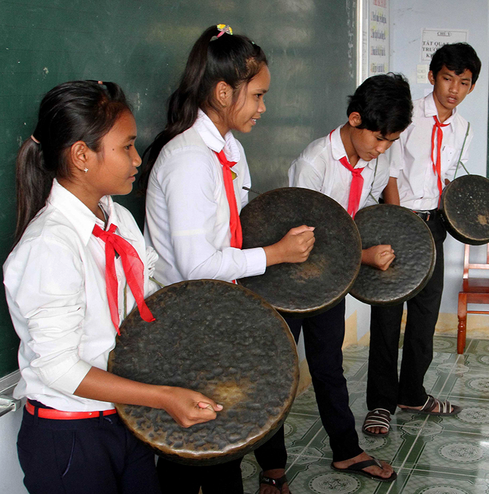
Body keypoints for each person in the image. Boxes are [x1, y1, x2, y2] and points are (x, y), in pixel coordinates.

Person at [4, 80, 222, 494]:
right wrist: (161, 396)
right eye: (126, 147)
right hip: (70, 438)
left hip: (124, 417)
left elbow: (144, 298)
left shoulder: (117, 219)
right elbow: (58, 368)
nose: (138, 159)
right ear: (82, 155)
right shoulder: (50, 246)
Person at [141, 25, 314, 494]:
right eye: (257, 95)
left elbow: (232, 231)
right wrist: (276, 254)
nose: (264, 107)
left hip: (216, 314)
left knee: (222, 444)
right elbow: (198, 265)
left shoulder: (227, 150)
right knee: (193, 450)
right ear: (222, 92)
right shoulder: (190, 160)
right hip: (186, 324)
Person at [284, 72, 413, 481]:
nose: (382, 149)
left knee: (328, 367)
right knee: (278, 373)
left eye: (391, 142)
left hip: (330, 280)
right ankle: (272, 467)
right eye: (379, 138)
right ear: (355, 119)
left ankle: (346, 450)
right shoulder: (314, 164)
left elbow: (357, 218)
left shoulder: (370, 162)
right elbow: (303, 242)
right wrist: (362, 256)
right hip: (288, 282)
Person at [364, 43, 482, 435]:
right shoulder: (409, 117)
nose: (454, 89)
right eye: (447, 78)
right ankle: (380, 404)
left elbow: (446, 177)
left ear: (471, 86)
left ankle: (412, 393)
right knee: (386, 316)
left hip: (435, 227)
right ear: (432, 76)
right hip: (401, 223)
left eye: (463, 82)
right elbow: (391, 175)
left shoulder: (462, 128)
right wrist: (400, 227)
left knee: (424, 316)